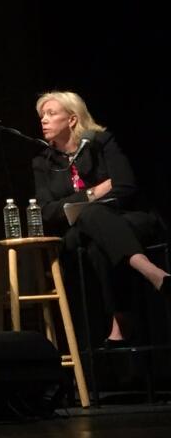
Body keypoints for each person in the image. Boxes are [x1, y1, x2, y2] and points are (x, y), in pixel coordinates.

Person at [32, 91, 169, 346]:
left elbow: (125, 186)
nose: (44, 120)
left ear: (72, 120)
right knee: (92, 215)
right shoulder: (43, 162)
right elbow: (46, 211)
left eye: (51, 114)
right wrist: (93, 193)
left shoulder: (101, 142)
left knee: (98, 239)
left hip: (126, 218)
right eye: (42, 115)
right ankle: (152, 273)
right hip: (75, 232)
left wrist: (86, 206)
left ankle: (119, 323)